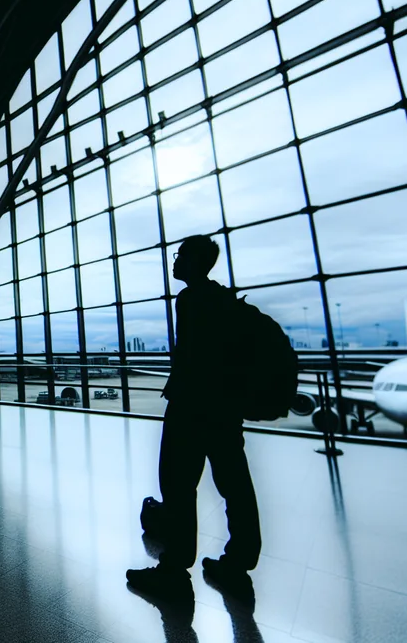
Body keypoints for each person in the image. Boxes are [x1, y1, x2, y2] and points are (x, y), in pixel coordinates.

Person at [126, 235, 261, 597]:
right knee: (234, 484)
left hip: (192, 407)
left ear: (196, 261)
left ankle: (173, 568)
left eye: (181, 255)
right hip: (225, 409)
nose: (175, 261)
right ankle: (239, 559)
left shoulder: (191, 299)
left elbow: (192, 359)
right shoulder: (223, 299)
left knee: (178, 486)